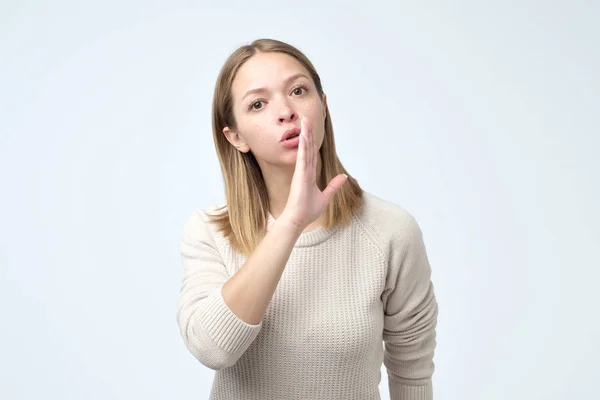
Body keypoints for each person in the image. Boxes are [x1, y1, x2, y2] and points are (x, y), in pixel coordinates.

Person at [176, 38, 438, 400]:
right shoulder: (209, 232)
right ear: (235, 136)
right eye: (258, 103)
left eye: (298, 90)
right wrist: (290, 224)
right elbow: (213, 349)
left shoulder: (390, 231)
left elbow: (412, 372)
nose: (285, 111)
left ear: (323, 106)